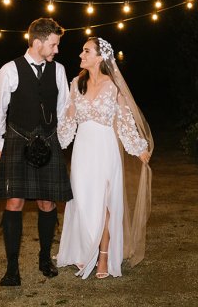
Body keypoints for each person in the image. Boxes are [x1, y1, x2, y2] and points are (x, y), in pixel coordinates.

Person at [56, 36, 153, 279]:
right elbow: (68, 118)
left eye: (86, 51)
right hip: (82, 149)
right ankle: (83, 249)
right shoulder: (76, 83)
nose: (81, 55)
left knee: (105, 203)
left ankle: (103, 256)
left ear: (100, 57)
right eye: (82, 51)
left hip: (105, 148)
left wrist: (138, 147)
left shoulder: (113, 87)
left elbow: (124, 121)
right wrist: (55, 142)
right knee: (81, 199)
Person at [0, 17, 73, 287]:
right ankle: (12, 269)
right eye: (53, 44)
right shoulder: (9, 70)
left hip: (48, 141)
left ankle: (44, 258)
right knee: (13, 203)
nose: (56, 50)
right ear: (37, 43)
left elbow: (62, 109)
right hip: (17, 140)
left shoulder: (58, 70)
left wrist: (60, 140)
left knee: (47, 203)